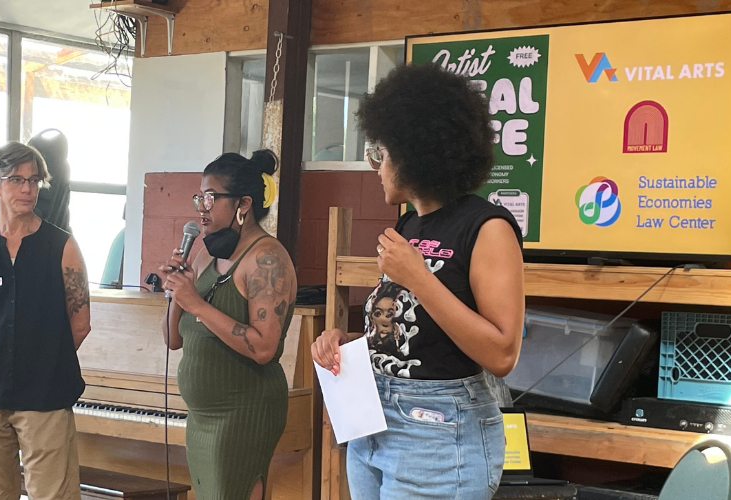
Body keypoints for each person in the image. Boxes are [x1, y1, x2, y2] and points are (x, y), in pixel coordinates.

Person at [311, 64, 525, 499]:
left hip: (438, 432)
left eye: (382, 153)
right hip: (373, 423)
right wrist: (349, 341)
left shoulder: (487, 227)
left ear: (415, 153)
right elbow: (415, 334)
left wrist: (418, 277)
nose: (376, 166)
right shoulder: (409, 225)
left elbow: (503, 353)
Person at [160, 150, 298, 500]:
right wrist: (179, 291)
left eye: (211, 197)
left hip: (243, 411)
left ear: (244, 203)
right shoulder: (206, 253)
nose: (201, 207)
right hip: (202, 416)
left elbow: (264, 347)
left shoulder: (267, 259)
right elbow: (173, 339)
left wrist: (196, 303)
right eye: (199, 197)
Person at [0, 142, 91, 500]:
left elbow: (80, 323)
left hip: (44, 395)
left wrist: (41, 356)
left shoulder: (62, 246)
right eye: (17, 179)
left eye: (34, 181)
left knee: (53, 495)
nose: (28, 189)